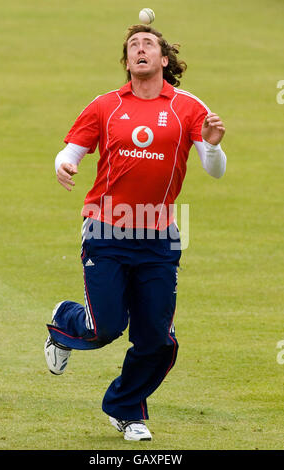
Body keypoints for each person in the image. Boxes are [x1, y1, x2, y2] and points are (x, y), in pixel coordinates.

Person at [44, 24, 227, 441]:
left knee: (159, 341)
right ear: (127, 62)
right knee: (104, 327)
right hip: (106, 229)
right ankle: (63, 321)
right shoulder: (105, 106)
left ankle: (127, 410)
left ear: (164, 59)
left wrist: (213, 145)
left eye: (149, 45)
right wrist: (64, 164)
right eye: (133, 46)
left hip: (160, 236)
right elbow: (70, 150)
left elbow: (215, 171)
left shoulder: (189, 108)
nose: (140, 50)